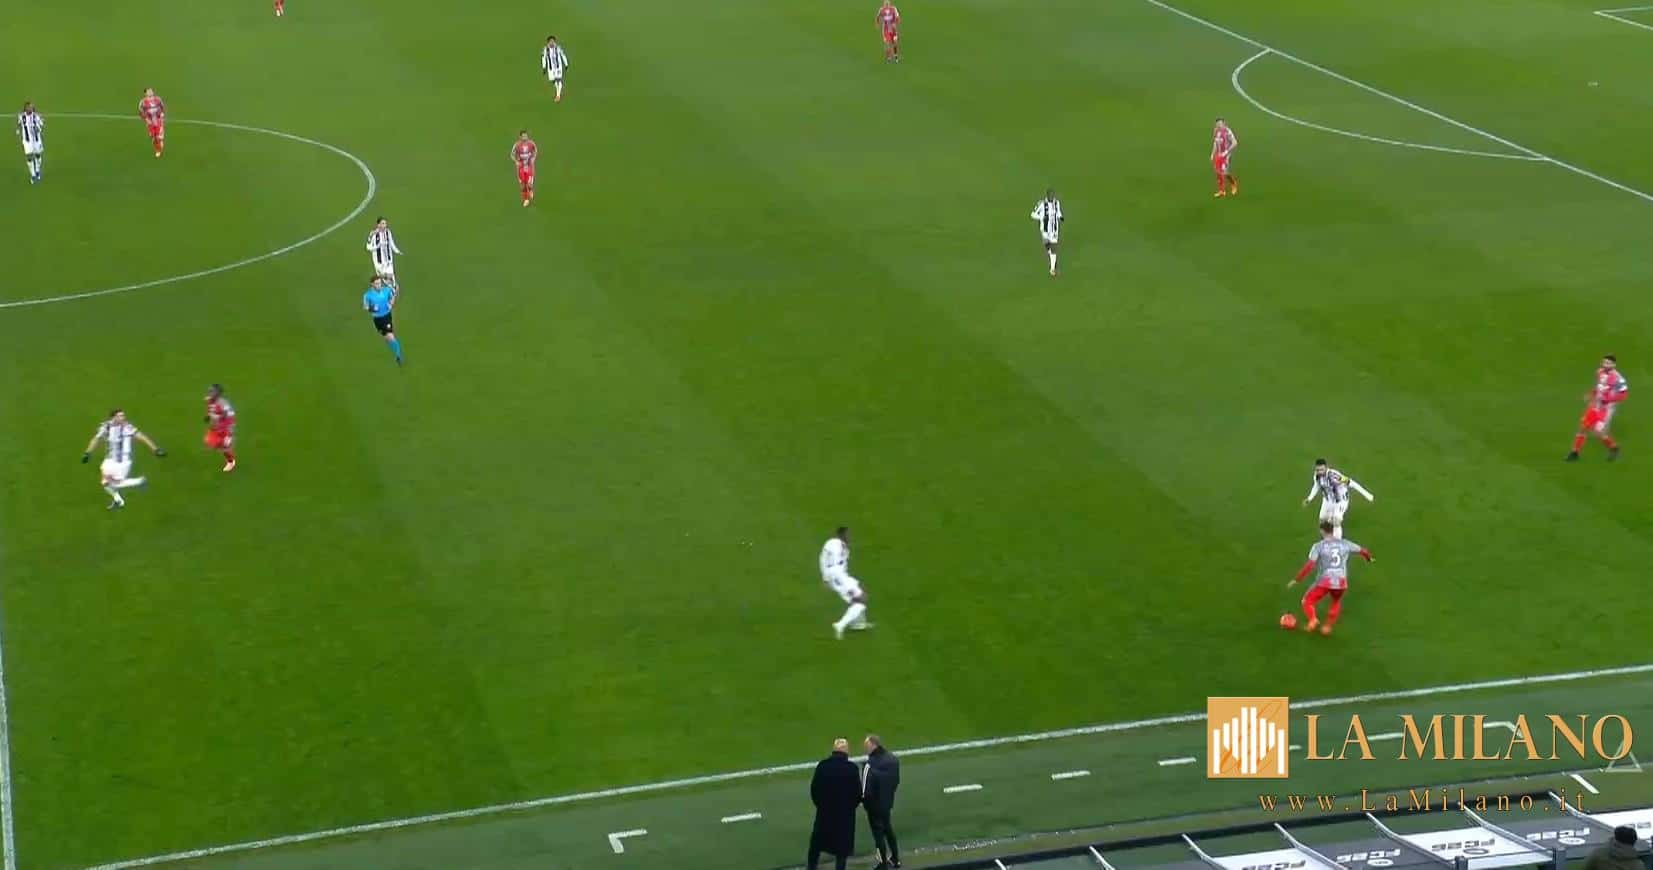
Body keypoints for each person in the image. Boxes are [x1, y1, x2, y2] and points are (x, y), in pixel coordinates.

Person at [1287, 521, 1372, 635]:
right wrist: (1368, 558)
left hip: (1325, 581)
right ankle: (1327, 627)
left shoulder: (1318, 546)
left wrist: (1297, 579)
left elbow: (1310, 565)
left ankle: (1313, 619)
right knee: (1336, 601)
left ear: (1322, 531)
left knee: (1307, 601)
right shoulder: (1345, 543)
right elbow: (1363, 551)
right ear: (1333, 531)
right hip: (1341, 582)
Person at [82, 410, 166, 510]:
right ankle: (118, 501)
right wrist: (87, 453)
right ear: (113, 417)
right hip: (110, 460)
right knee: (105, 482)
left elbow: (142, 437)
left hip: (123, 461)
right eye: (120, 416)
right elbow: (96, 439)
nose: (123, 418)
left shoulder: (127, 427)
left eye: (123, 416)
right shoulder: (106, 427)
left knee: (113, 483)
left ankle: (140, 481)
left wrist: (155, 449)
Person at [809, 738, 862, 870]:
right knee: (841, 850)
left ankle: (811, 867)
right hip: (844, 816)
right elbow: (857, 793)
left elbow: (814, 789)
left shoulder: (823, 766)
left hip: (824, 814)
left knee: (816, 845)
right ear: (846, 751)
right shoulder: (852, 769)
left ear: (833, 750)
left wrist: (821, 805)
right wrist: (849, 808)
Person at [1568, 354, 1627, 462]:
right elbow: (1599, 387)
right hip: (1595, 405)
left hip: (1606, 409)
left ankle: (1614, 448)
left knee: (1598, 432)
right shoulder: (1599, 372)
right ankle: (1574, 452)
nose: (1606, 365)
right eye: (1604, 362)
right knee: (1583, 427)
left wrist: (1608, 399)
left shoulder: (1618, 378)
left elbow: (1624, 394)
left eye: (1608, 363)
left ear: (1614, 364)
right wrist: (1591, 394)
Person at [1301, 458, 1373, 539]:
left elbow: (1351, 483)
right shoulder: (1317, 476)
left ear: (1326, 468)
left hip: (1341, 501)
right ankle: (1326, 539)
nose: (1320, 472)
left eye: (1322, 469)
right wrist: (1309, 499)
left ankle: (1337, 542)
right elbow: (1316, 486)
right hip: (1327, 500)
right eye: (1318, 470)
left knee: (1336, 520)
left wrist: (1367, 495)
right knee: (1322, 520)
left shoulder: (1334, 476)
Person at [820, 526, 871, 639]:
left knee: (860, 590)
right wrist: (826, 578)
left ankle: (858, 624)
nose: (850, 536)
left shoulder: (843, 547)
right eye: (848, 534)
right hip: (837, 575)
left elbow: (824, 559)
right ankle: (839, 625)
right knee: (861, 599)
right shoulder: (834, 544)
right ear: (841, 535)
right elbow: (825, 560)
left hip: (841, 575)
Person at [862, 735, 902, 870]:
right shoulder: (893, 759)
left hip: (874, 806)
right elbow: (896, 781)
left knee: (878, 835)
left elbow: (865, 790)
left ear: (873, 745)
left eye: (867, 746)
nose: (865, 749)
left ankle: (883, 863)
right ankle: (895, 859)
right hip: (887, 802)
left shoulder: (869, 764)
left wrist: (865, 803)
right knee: (888, 829)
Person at [363, 276, 404, 366]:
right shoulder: (367, 295)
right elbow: (365, 307)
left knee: (391, 337)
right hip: (377, 320)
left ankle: (399, 356)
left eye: (380, 283)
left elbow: (392, 300)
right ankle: (396, 352)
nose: (379, 285)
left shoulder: (386, 290)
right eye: (377, 283)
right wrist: (372, 308)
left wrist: (391, 304)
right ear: (372, 284)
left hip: (386, 317)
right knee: (387, 339)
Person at [203, 383, 238, 472]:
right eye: (210, 391)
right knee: (208, 441)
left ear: (218, 394)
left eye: (212, 391)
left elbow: (230, 416)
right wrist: (208, 416)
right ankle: (221, 445)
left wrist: (230, 433)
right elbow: (210, 409)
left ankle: (231, 462)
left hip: (226, 429)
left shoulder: (223, 404)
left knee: (225, 448)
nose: (210, 393)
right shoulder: (209, 400)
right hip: (215, 428)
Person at [1031, 189, 1063, 278]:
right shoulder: (1041, 204)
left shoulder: (1056, 203)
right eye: (1051, 196)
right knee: (1047, 244)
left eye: (1053, 196)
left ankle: (1052, 269)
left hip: (1054, 229)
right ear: (1047, 196)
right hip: (1044, 230)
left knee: (1054, 247)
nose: (1052, 198)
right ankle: (1050, 254)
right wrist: (1041, 217)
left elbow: (1058, 212)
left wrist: (1060, 217)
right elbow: (1033, 214)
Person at [366, 217, 402, 284]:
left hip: (388, 262)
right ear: (378, 225)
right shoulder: (373, 234)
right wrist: (377, 246)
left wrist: (397, 251)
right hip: (379, 263)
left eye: (385, 223)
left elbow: (391, 242)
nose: (385, 225)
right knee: (386, 282)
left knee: (392, 282)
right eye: (383, 223)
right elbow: (368, 247)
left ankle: (393, 288)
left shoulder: (388, 232)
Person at [16, 101, 43, 184]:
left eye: (31, 107)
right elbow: (19, 123)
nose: (30, 108)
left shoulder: (36, 116)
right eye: (28, 107)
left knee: (38, 155)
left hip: (37, 140)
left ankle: (37, 170)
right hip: (27, 141)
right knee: (29, 156)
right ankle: (33, 175)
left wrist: (38, 129)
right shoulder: (21, 116)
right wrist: (18, 130)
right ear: (25, 108)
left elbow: (41, 124)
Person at [1211, 118, 1237, 198]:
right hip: (1218, 155)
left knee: (1225, 172)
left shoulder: (1228, 131)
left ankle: (1233, 184)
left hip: (1226, 155)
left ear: (1224, 123)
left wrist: (1226, 152)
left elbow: (1235, 143)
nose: (1219, 125)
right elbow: (1215, 143)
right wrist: (1212, 153)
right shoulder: (1216, 131)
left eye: (1220, 123)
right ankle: (1222, 191)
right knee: (1218, 172)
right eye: (1217, 124)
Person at [512, 130, 538, 207]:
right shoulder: (517, 145)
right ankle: (526, 199)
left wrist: (533, 158)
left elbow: (535, 150)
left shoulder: (531, 143)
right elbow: (512, 155)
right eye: (523, 136)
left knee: (529, 184)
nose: (525, 137)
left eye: (526, 136)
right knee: (523, 185)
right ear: (520, 137)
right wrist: (516, 161)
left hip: (530, 167)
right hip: (521, 168)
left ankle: (530, 190)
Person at [139, 88, 166, 158]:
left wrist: (162, 113)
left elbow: (162, 107)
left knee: (158, 137)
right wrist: (146, 119)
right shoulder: (143, 102)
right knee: (153, 137)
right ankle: (157, 149)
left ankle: (159, 147)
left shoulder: (158, 99)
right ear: (145, 93)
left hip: (158, 120)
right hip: (150, 122)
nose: (150, 92)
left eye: (151, 91)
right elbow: (141, 112)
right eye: (148, 91)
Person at [542, 36, 570, 103]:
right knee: (553, 80)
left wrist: (566, 64)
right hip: (550, 68)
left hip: (558, 67)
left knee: (558, 80)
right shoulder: (546, 50)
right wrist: (544, 67)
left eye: (553, 41)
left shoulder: (558, 48)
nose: (552, 43)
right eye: (550, 41)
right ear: (548, 42)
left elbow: (563, 55)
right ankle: (558, 92)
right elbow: (543, 58)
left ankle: (558, 95)